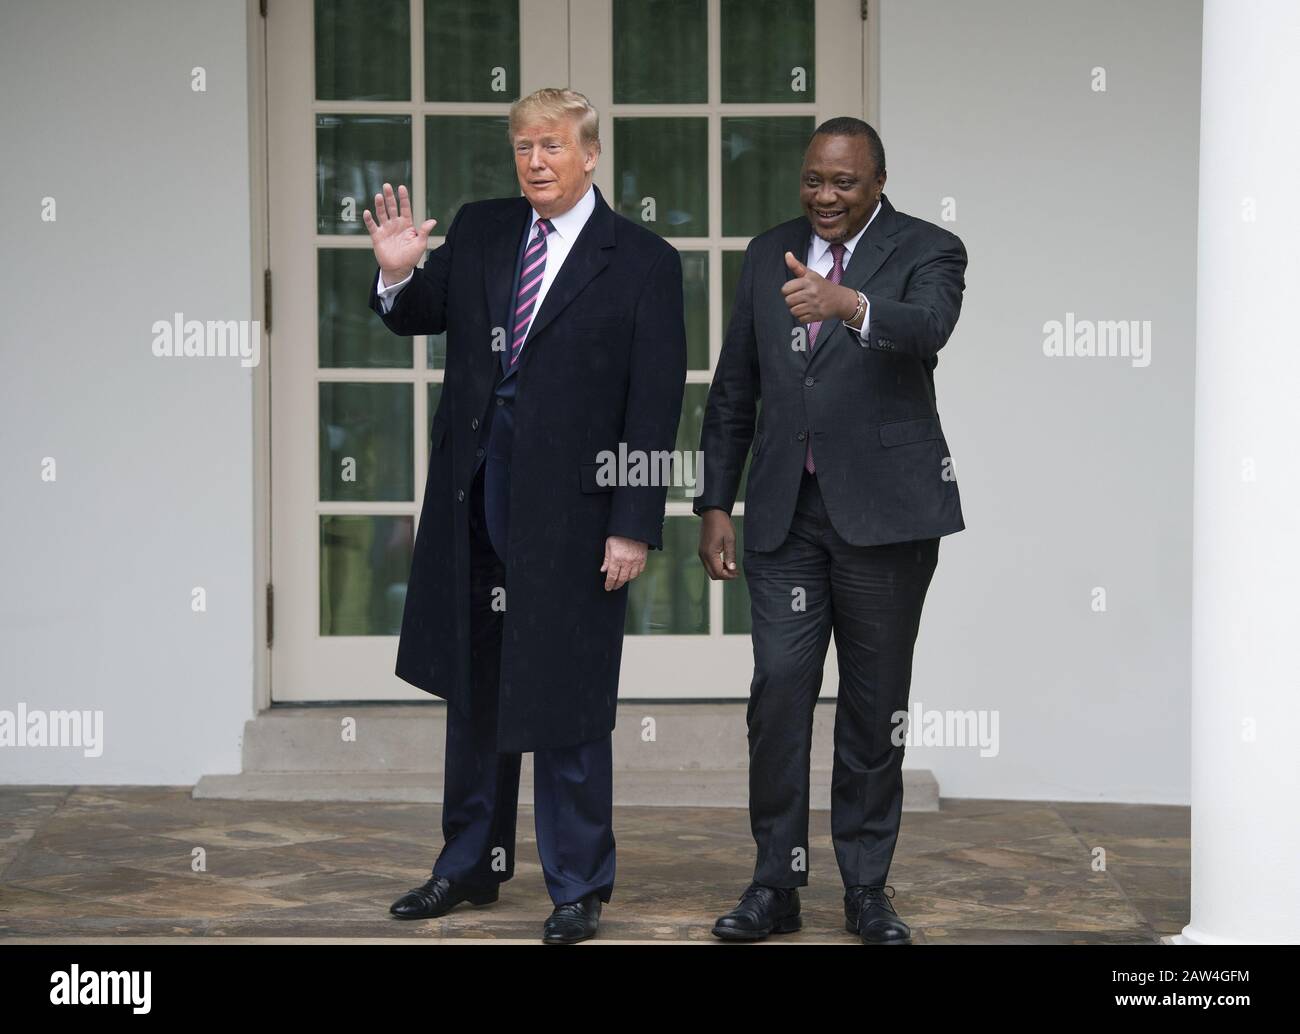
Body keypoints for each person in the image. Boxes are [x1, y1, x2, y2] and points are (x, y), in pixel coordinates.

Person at [365, 87, 686, 944]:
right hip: (474, 497)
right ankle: (467, 865)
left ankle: (577, 885)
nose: (535, 162)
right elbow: (422, 315)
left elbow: (654, 408)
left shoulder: (645, 261)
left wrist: (633, 523)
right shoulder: (482, 229)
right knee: (475, 694)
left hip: (578, 518)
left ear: (589, 155)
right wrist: (398, 272)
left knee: (569, 701)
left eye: (551, 146)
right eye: (522, 147)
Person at [695, 117, 967, 945]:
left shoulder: (931, 247)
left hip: (886, 518)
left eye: (844, 183)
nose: (824, 197)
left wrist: (845, 303)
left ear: (878, 182)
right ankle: (775, 884)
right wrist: (715, 502)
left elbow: (928, 330)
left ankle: (866, 890)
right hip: (787, 515)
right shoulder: (766, 250)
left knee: (873, 707)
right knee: (779, 692)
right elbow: (735, 383)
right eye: (814, 180)